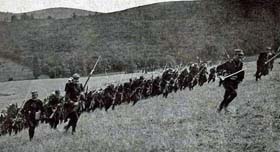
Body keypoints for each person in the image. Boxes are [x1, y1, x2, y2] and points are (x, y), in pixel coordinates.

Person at [217, 49, 245, 113]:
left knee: (226, 97)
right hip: (227, 82)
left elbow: (241, 73)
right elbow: (218, 68)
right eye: (239, 55)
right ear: (235, 56)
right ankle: (225, 106)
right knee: (234, 94)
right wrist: (224, 73)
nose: (240, 57)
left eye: (241, 56)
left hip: (234, 83)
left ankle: (219, 109)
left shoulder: (241, 64)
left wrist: (239, 79)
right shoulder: (228, 63)